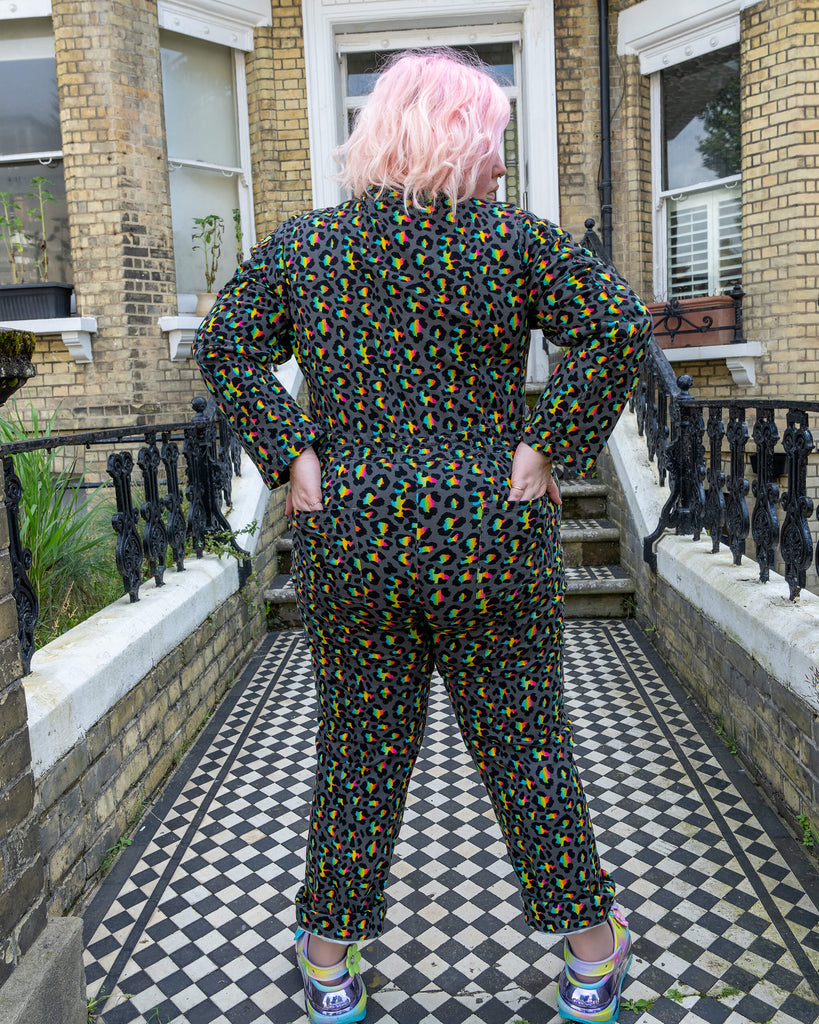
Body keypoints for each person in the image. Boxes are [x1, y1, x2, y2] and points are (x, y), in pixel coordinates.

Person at [195, 48, 651, 1024]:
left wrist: (293, 457)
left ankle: (326, 967)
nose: (499, 158)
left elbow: (226, 337)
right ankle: (591, 958)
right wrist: (547, 448)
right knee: (527, 749)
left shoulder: (308, 249)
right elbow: (617, 323)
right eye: (493, 136)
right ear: (461, 136)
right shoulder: (513, 243)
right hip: (488, 533)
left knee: (360, 750)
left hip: (353, 534)